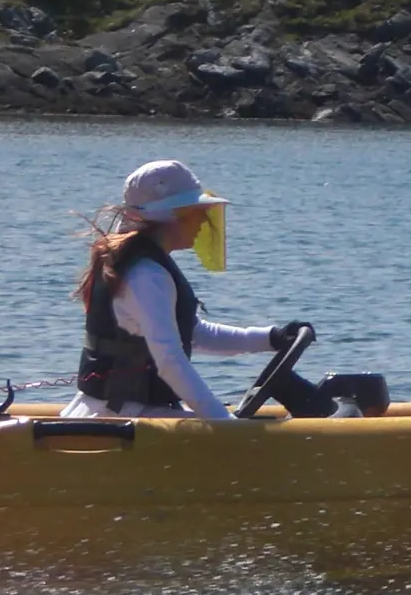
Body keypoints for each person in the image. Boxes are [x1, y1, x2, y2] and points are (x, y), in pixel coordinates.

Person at [61, 159, 332, 419]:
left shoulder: (147, 266)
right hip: (123, 417)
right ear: (170, 217)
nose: (204, 222)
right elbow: (170, 362)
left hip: (122, 411)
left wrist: (270, 338)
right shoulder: (147, 275)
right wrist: (223, 424)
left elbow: (193, 333)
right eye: (197, 213)